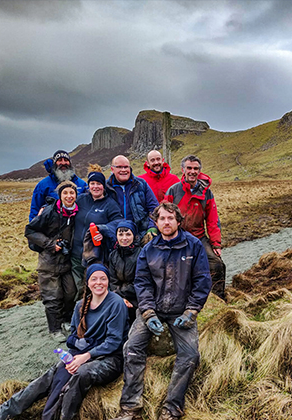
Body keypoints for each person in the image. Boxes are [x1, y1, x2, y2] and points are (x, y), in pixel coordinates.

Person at [111, 202, 211, 420]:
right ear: (156, 222)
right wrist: (147, 313)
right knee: (132, 347)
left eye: (170, 218)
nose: (166, 222)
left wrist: (191, 311)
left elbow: (202, 281)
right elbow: (142, 283)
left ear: (178, 221)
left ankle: (172, 408)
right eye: (162, 218)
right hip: (153, 310)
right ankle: (130, 407)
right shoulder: (149, 249)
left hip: (181, 311)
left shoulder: (193, 246)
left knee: (190, 354)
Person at [0, 264, 128, 420]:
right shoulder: (80, 305)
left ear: (108, 281)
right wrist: (75, 352)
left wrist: (85, 357)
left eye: (103, 279)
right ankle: (4, 411)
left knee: (81, 374)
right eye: (94, 279)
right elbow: (72, 336)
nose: (98, 283)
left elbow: (114, 341)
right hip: (81, 353)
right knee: (51, 375)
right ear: (87, 282)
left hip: (109, 359)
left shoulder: (116, 303)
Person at [164, 155, 226, 300]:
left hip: (199, 237)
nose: (192, 171)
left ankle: (217, 299)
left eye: (196, 168)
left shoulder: (207, 193)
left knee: (217, 265)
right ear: (183, 170)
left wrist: (216, 244)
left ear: (199, 171)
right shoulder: (173, 191)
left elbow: (212, 220)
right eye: (189, 168)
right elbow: (165, 216)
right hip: (177, 237)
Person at [25, 181, 80, 338]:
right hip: (48, 261)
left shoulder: (76, 212)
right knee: (52, 295)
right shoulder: (50, 212)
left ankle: (67, 320)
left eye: (72, 193)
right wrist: (50, 244)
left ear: (76, 195)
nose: (69, 196)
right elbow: (30, 230)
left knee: (71, 292)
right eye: (65, 193)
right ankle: (54, 329)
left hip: (66, 261)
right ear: (60, 195)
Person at [71, 166, 123, 297]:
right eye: (92, 184)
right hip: (76, 253)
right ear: (88, 185)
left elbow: (118, 222)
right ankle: (79, 314)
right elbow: (64, 206)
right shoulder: (81, 199)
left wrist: (103, 229)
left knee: (94, 290)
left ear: (103, 186)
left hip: (96, 255)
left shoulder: (110, 204)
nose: (95, 187)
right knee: (77, 289)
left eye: (98, 184)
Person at [105, 155, 159, 238]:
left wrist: (152, 227)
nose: (123, 170)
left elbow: (154, 208)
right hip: (114, 237)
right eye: (119, 167)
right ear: (112, 169)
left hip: (140, 235)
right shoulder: (105, 187)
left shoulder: (141, 184)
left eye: (126, 167)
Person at [29, 150, 87, 221]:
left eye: (66, 160)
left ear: (70, 163)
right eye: (59, 160)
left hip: (76, 227)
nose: (63, 163)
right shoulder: (43, 185)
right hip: (51, 228)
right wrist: (33, 228)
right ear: (54, 163)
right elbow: (35, 209)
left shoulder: (82, 184)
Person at [108, 220, 142, 324]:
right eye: (120, 234)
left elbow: (139, 282)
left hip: (137, 297)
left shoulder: (141, 254)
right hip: (118, 296)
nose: (124, 238)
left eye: (128, 234)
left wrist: (118, 294)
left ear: (134, 236)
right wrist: (119, 297)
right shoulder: (113, 255)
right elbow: (112, 281)